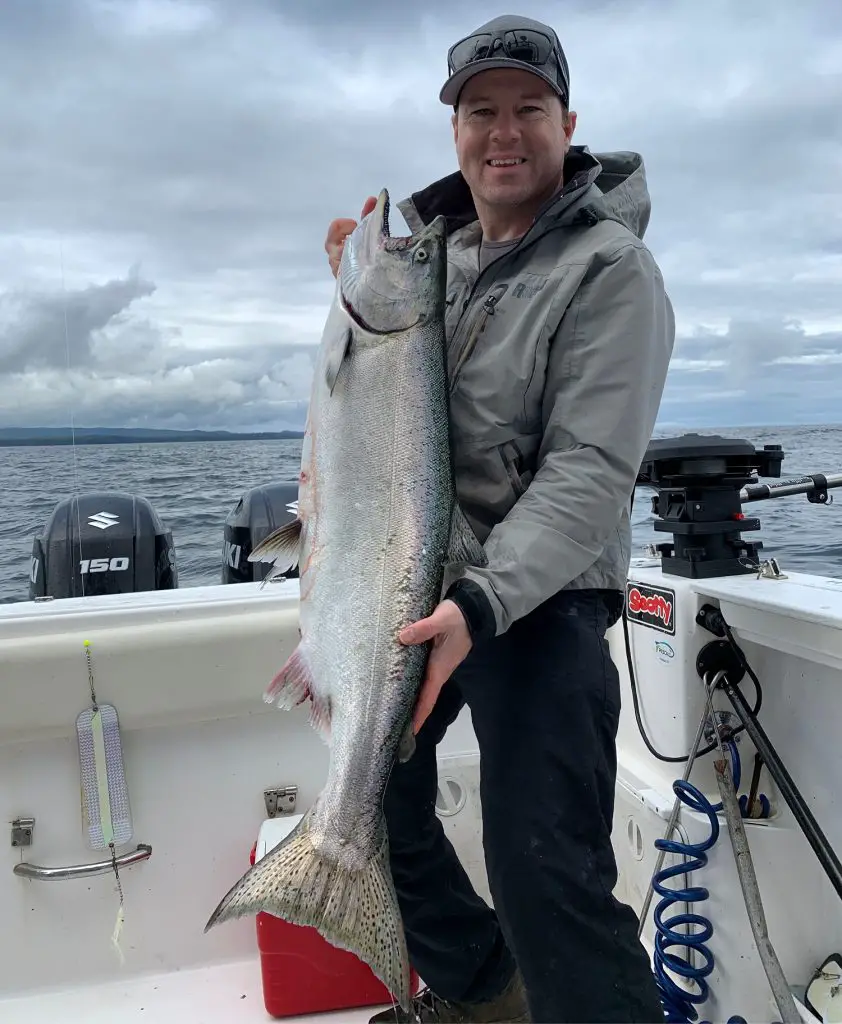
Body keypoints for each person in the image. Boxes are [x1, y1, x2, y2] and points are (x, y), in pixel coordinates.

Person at [325, 14, 674, 1023]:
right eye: (481, 112)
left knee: (546, 877)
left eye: (527, 108)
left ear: (568, 123)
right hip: (415, 588)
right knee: (370, 813)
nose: (502, 131)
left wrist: (479, 603)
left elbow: (589, 470)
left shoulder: (609, 272)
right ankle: (486, 992)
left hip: (542, 602)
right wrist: (356, 287)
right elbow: (391, 424)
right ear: (455, 134)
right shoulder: (439, 262)